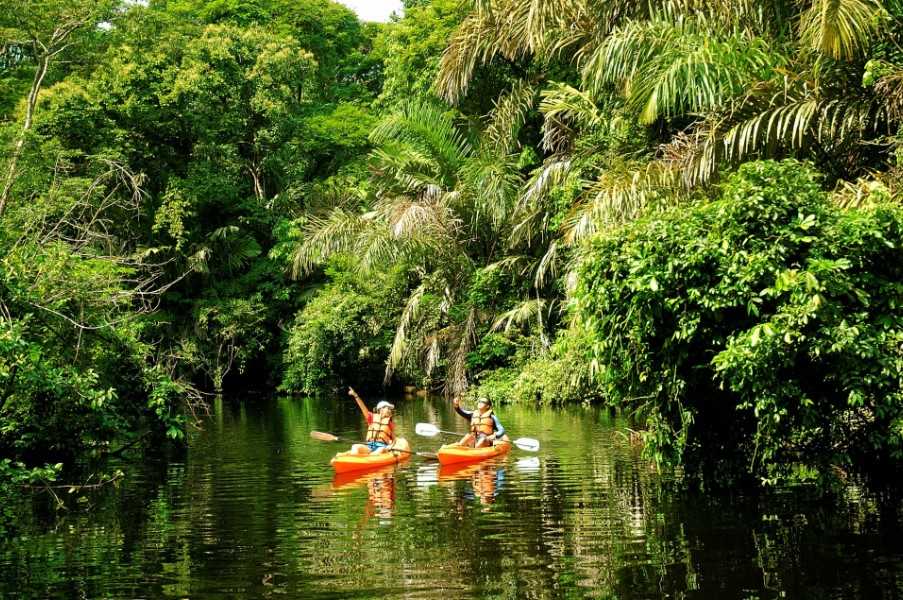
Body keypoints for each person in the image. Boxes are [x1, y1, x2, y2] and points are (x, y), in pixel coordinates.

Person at [348, 387, 395, 455]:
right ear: (381, 409)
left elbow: (394, 439)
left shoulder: (390, 423)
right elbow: (362, 407)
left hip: (382, 447)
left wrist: (390, 446)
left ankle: (368, 459)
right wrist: (356, 395)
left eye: (390, 409)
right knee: (355, 446)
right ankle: (353, 462)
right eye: (388, 408)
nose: (390, 411)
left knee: (381, 449)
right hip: (369, 447)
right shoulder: (371, 418)